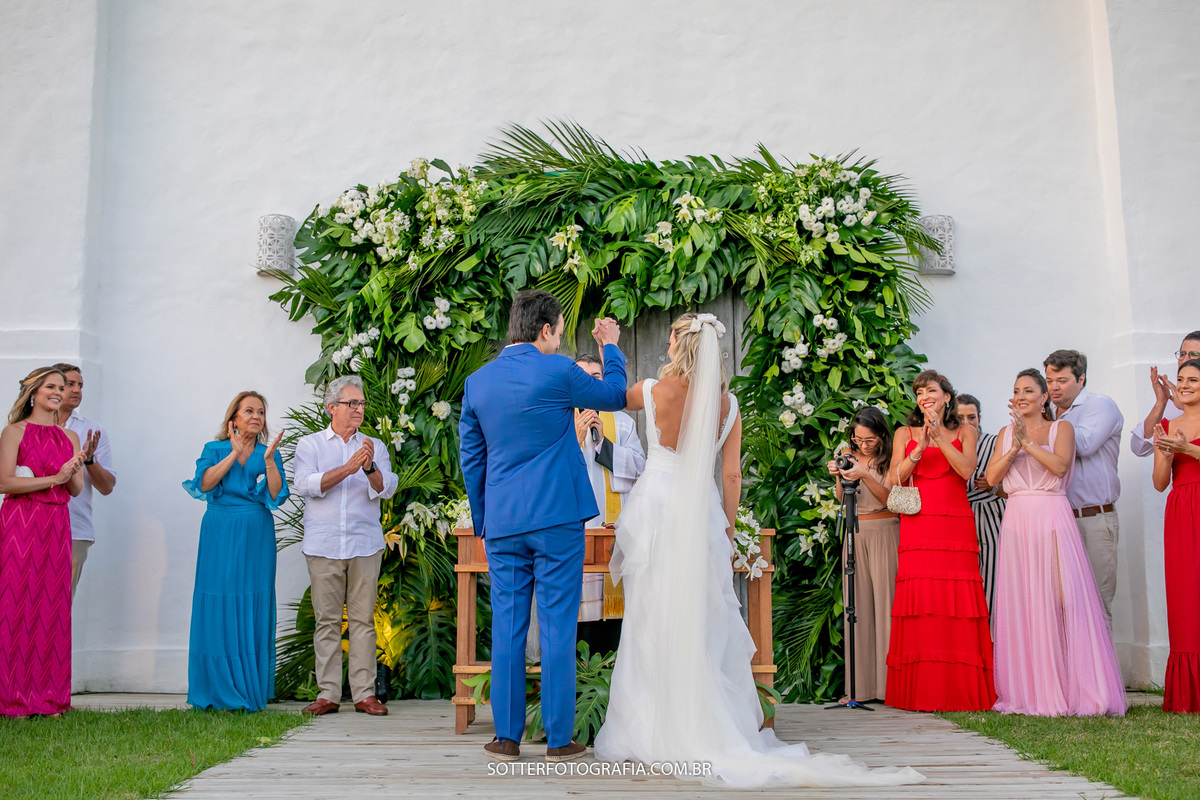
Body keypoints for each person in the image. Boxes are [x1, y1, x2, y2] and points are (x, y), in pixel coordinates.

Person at [595, 313, 923, 788]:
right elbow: (731, 477)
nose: (666, 342)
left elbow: (607, 394)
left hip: (658, 511)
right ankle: (707, 722)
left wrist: (610, 347)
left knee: (652, 613)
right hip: (702, 516)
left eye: (670, 337)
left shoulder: (653, 391)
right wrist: (727, 527)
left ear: (681, 346)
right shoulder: (727, 407)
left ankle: (649, 727)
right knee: (703, 617)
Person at [458, 290, 627, 762]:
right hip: (556, 519)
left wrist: (484, 520)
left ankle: (506, 738)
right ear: (546, 329)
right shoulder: (557, 370)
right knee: (556, 626)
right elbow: (613, 394)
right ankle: (558, 740)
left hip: (505, 522)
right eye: (558, 333)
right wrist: (610, 346)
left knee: (509, 625)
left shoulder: (477, 382)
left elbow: (472, 459)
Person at [986, 369, 1126, 717]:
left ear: (1043, 396)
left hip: (1051, 514)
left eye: (1029, 390)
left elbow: (1061, 466)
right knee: (1027, 602)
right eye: (1016, 390)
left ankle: (1077, 688)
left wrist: (1028, 443)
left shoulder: (1061, 429)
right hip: (1017, 519)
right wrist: (1014, 445)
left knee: (1064, 599)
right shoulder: (1005, 434)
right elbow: (991, 478)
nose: (1021, 396)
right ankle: (1031, 690)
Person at [886, 370, 995, 712]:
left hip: (955, 525)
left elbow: (966, 471)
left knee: (956, 604)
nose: (923, 396)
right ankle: (922, 690)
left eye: (931, 390)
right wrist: (920, 448)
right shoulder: (905, 432)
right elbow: (894, 479)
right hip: (919, 525)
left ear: (947, 396)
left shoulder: (966, 431)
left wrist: (940, 438)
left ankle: (959, 690)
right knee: (922, 601)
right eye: (919, 391)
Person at [293, 375, 398, 718]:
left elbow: (387, 488)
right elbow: (306, 484)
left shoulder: (374, 445)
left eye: (362, 403)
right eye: (352, 403)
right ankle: (328, 695)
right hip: (323, 544)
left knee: (363, 621)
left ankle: (364, 694)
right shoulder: (311, 445)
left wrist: (367, 467)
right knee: (326, 622)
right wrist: (346, 468)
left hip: (364, 544)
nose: (359, 409)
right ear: (331, 408)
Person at [182, 391, 287, 711]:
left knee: (252, 601)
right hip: (219, 531)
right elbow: (204, 485)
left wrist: (269, 461)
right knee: (216, 600)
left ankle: (248, 688)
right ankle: (214, 689)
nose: (256, 416)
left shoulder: (269, 453)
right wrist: (233, 453)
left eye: (261, 412)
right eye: (249, 411)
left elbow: (276, 495)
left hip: (255, 533)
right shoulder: (213, 449)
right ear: (234, 419)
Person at [0, 367, 85, 717]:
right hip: (21, 523)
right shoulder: (14, 432)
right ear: (33, 392)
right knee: (16, 603)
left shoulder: (70, 438)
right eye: (51, 386)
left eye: (61, 387)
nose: (58, 391)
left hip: (55, 522)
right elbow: (4, 482)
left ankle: (49, 697)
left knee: (51, 607)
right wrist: (55, 476)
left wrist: (75, 468)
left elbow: (76, 489)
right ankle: (12, 696)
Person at [1044, 350, 1123, 623]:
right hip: (1058, 518)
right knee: (1061, 607)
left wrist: (1037, 430)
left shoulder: (1100, 405)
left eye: (1062, 380)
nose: (1053, 387)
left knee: (1097, 607)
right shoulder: (1048, 413)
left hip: (1094, 518)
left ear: (1081, 379)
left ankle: (1102, 668)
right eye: (1049, 380)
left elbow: (1086, 444)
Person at [825, 407, 897, 704]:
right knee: (858, 609)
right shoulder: (848, 452)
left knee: (885, 606)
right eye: (858, 439)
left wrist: (865, 472)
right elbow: (842, 499)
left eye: (869, 440)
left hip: (885, 529)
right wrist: (841, 475)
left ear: (881, 435)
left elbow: (888, 498)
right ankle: (859, 688)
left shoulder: (891, 457)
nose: (863, 445)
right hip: (855, 531)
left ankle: (889, 687)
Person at [574, 353, 644, 626]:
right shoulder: (558, 419)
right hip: (576, 526)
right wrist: (575, 440)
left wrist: (604, 443)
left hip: (611, 523)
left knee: (614, 617)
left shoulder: (622, 422)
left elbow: (640, 469)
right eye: (583, 377)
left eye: (597, 377)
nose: (590, 383)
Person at [1152, 358, 1200, 713]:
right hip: (1182, 508)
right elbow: (1158, 483)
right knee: (1186, 595)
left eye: (1193, 380)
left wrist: (1188, 449)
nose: (1184, 385)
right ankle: (1189, 693)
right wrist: (1167, 455)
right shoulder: (1167, 424)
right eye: (1181, 379)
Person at [52, 363, 117, 600]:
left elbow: (107, 487)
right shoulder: (27, 427)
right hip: (31, 522)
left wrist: (89, 460)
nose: (77, 390)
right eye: (70, 384)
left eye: (80, 385)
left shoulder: (92, 429)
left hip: (74, 529)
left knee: (60, 604)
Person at [957, 393, 1005, 617]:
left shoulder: (994, 442)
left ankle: (993, 636)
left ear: (979, 417)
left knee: (993, 574)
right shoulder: (948, 445)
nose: (967, 423)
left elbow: (1011, 480)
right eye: (960, 418)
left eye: (972, 417)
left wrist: (993, 484)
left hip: (990, 515)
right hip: (958, 517)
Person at [1131, 331, 1200, 457]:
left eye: (1194, 354)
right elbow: (1139, 448)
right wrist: (1161, 403)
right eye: (1182, 354)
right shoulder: (1175, 399)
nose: (1184, 360)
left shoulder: (1180, 402)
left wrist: (1186, 408)